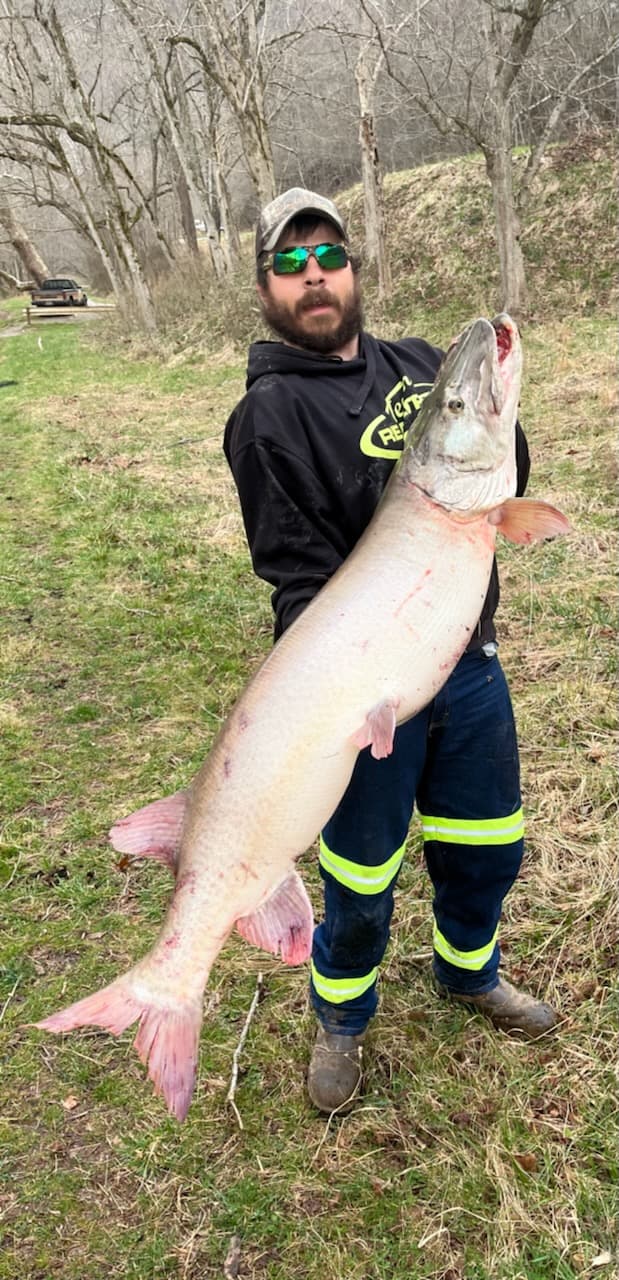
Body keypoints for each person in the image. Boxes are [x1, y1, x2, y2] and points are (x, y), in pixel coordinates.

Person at [223, 187, 558, 1113]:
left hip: (471, 666)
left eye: (326, 255)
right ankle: (342, 1015)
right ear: (264, 288)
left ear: (353, 268)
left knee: (485, 844)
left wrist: (492, 400)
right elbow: (295, 578)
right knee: (360, 873)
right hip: (364, 688)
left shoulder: (417, 363)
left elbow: (500, 472)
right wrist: (341, 697)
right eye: (288, 265)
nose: (313, 276)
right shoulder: (269, 415)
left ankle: (469, 970)